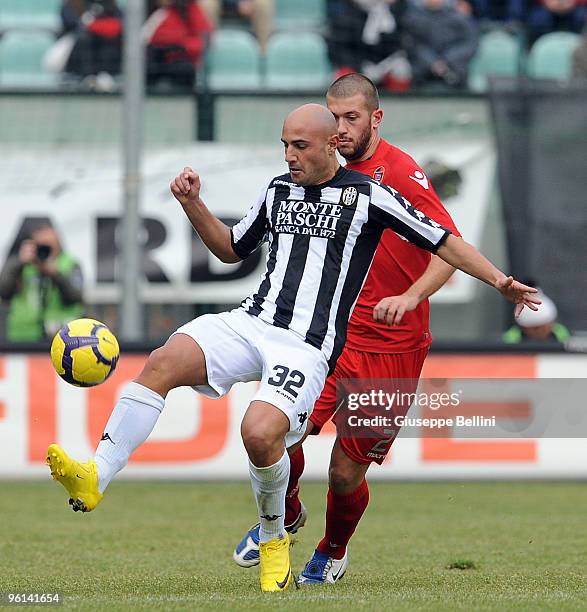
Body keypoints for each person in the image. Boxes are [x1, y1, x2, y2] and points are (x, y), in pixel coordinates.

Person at [46, 103, 538, 593]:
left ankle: (274, 535)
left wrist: (499, 281)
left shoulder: (370, 196)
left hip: (308, 344)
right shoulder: (279, 190)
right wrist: (194, 204)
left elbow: (444, 241)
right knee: (162, 362)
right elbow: (231, 249)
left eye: (299, 146)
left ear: (331, 145)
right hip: (252, 320)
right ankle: (97, 474)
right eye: (284, 145)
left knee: (261, 435)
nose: (289, 156)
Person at [232, 73, 459, 581]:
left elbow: (448, 249)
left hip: (391, 347)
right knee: (279, 434)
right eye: (332, 118)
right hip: (329, 339)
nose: (339, 129)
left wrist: (410, 295)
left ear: (376, 118)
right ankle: (285, 515)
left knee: (343, 470)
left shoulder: (400, 173)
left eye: (350, 118)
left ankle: (332, 551)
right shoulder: (317, 177)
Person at [0, 223, 84, 342]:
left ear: (58, 243)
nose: (45, 251)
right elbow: (4, 291)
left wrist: (55, 274)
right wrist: (19, 262)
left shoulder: (69, 263)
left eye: (49, 245)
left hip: (62, 336)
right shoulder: (23, 265)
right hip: (23, 337)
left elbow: (76, 296)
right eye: (41, 246)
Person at [403, 0, 479, 88]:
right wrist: (432, 62)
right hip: (422, 69)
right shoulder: (412, 17)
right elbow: (411, 43)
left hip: (455, 69)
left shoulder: (459, 17)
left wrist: (446, 60)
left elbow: (470, 43)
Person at [144, 0, 212, 90]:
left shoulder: (190, 9)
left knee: (184, 69)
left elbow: (204, 40)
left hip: (180, 61)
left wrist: (182, 45)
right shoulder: (149, 11)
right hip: (155, 59)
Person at [503, 288, 570, 344]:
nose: (539, 332)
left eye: (543, 328)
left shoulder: (561, 335)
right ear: (523, 328)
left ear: (551, 324)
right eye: (534, 328)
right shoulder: (511, 338)